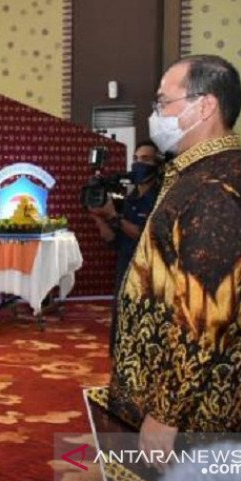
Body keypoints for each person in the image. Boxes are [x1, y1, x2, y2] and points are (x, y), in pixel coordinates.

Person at [103, 55, 241, 460]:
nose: (154, 115)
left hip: (197, 419)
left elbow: (206, 317)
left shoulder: (215, 188)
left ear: (205, 106)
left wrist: (166, 412)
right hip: (175, 402)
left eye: (163, 103)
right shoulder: (194, 173)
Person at [88, 140, 162, 355]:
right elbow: (113, 239)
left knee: (145, 326)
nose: (139, 164)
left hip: (149, 272)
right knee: (121, 323)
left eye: (146, 159)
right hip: (125, 267)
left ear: (157, 164)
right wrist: (99, 218)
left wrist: (114, 216)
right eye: (136, 159)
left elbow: (145, 236)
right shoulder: (131, 198)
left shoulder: (160, 198)